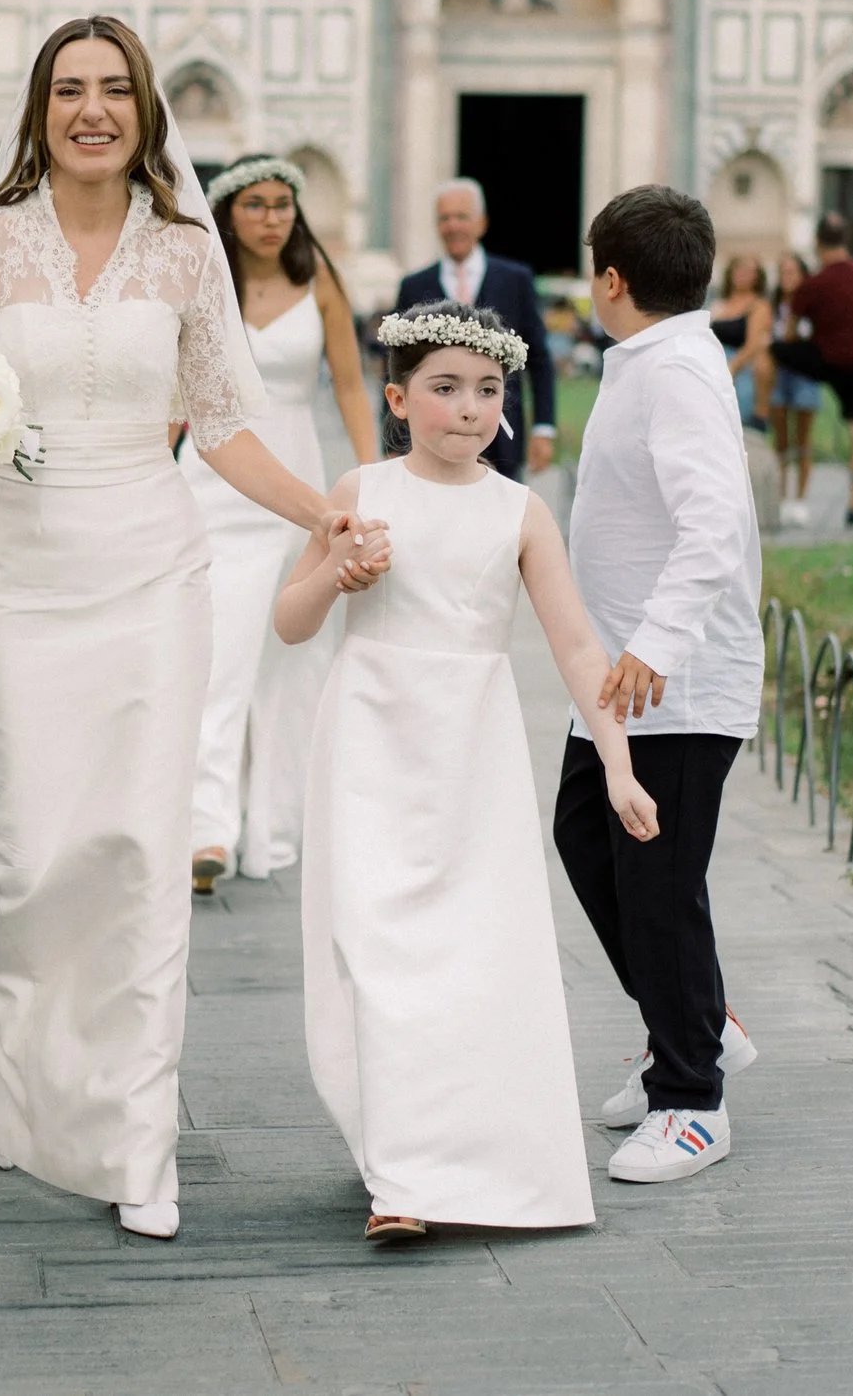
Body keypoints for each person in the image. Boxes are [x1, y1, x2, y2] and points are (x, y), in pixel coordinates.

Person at [0, 16, 355, 1242]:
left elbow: (228, 423)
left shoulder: (188, 257)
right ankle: (21, 1093)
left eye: (114, 90)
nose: (93, 110)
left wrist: (324, 517)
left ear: (145, 112)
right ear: (39, 110)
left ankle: (138, 1146)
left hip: (149, 567)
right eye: (69, 90)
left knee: (138, 848)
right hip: (16, 576)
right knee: (33, 852)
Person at [279, 302, 653, 1240]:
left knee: (467, 958)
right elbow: (288, 619)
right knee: (376, 952)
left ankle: (441, 1165)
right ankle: (398, 1169)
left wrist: (618, 765)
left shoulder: (518, 511)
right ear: (399, 399)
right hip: (369, 737)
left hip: (471, 751)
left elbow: (575, 645)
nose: (470, 408)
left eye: (488, 390)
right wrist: (338, 572)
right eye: (445, 389)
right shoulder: (360, 489)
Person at [557, 185, 763, 1185]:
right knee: (584, 837)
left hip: (666, 684)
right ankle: (694, 1023)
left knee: (658, 880)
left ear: (609, 278)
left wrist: (656, 646)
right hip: (616, 677)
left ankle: (692, 1098)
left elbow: (713, 523)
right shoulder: (648, 359)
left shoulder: (675, 370)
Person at [181, 154, 379, 893]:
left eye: (283, 205)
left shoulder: (318, 281)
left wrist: (373, 476)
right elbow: (181, 394)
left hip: (296, 482)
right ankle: (206, 826)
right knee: (220, 652)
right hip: (214, 485)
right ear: (228, 213)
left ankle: (275, 820)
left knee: (291, 661)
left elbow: (353, 385)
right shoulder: (205, 283)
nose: (272, 218)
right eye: (257, 205)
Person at [392, 177, 558, 480]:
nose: (453, 225)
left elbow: (540, 359)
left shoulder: (516, 280)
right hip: (433, 435)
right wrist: (392, 439)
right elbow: (396, 368)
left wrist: (543, 427)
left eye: (462, 217)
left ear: (481, 223)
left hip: (503, 437)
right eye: (445, 218)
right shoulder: (413, 286)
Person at [770, 213, 853, 528]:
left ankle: (765, 408)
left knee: (775, 348)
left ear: (818, 243)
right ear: (844, 240)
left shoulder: (816, 283)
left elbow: (791, 334)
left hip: (830, 360)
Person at [765, 252, 822, 528]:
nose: (787, 277)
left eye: (792, 272)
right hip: (779, 374)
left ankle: (799, 500)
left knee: (803, 441)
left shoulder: (811, 306)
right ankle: (781, 496)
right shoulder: (774, 306)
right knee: (781, 442)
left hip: (804, 375)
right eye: (783, 272)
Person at [709, 255, 773, 426]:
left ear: (757, 276)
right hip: (714, 366)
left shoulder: (759, 305)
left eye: (749, 270)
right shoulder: (719, 305)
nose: (742, 274)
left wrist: (731, 368)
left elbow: (753, 345)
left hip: (740, 370)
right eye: (739, 268)